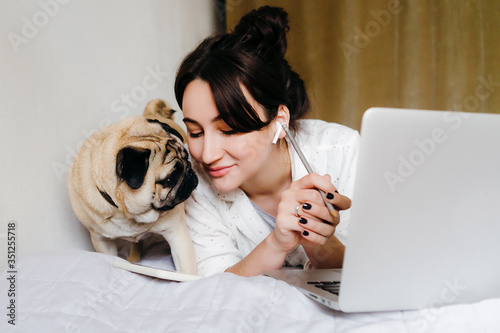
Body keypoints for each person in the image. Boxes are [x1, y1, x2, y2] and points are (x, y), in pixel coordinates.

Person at [174, 6, 359, 277]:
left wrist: (318, 243)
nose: (208, 154)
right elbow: (213, 290)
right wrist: (276, 243)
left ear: (279, 121)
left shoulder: (342, 149)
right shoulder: (195, 184)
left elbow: (377, 270)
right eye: (196, 132)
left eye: (228, 130)